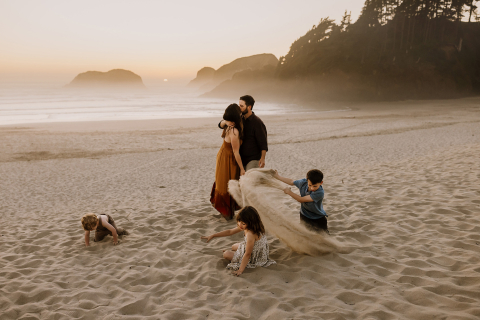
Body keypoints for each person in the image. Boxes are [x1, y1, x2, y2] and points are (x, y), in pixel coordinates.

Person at [201, 206, 276, 276]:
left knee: (226, 254)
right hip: (254, 248)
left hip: (254, 256)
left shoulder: (250, 234)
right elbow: (230, 232)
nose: (240, 225)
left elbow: (248, 254)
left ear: (250, 222)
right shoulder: (251, 226)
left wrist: (240, 270)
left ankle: (235, 255)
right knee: (233, 246)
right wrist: (213, 235)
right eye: (239, 221)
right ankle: (235, 253)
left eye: (243, 223)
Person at [210, 103, 245, 220]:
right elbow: (236, 153)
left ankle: (226, 210)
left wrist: (225, 122)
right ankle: (226, 212)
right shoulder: (234, 131)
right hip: (227, 158)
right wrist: (242, 168)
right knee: (227, 183)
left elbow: (221, 123)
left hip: (223, 155)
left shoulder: (229, 126)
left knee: (226, 182)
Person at [218, 95, 268, 171]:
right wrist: (225, 122)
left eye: (242, 106)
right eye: (239, 105)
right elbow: (220, 125)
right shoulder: (239, 119)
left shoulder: (257, 122)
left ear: (249, 107)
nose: (239, 108)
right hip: (240, 158)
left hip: (253, 159)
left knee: (249, 179)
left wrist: (263, 158)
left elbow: (263, 142)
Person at [273, 169, 329, 234]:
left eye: (315, 186)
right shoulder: (303, 183)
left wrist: (289, 192)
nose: (312, 188)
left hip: (318, 218)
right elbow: (291, 182)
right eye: (310, 185)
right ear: (307, 180)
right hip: (304, 215)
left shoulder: (320, 192)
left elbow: (301, 200)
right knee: (306, 235)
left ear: (321, 183)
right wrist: (278, 177)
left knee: (323, 237)